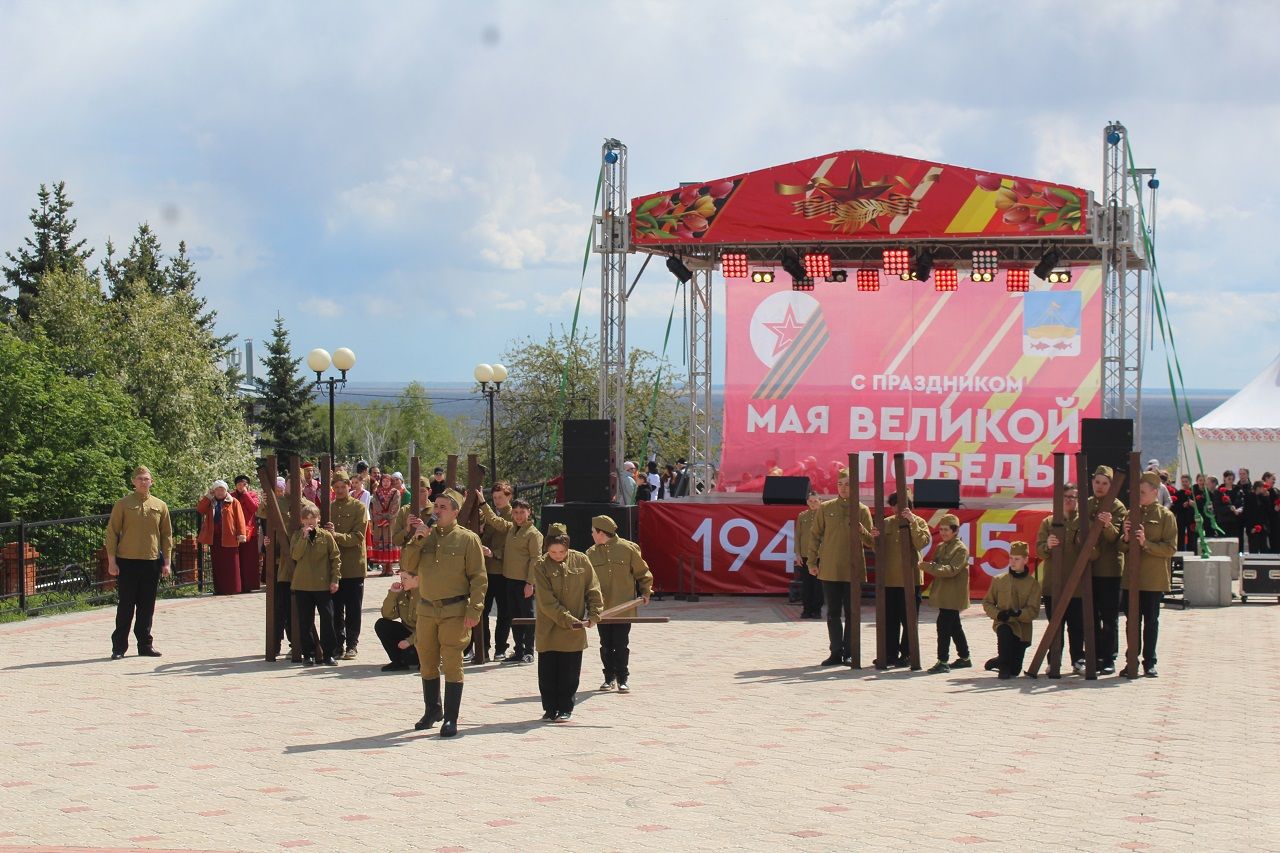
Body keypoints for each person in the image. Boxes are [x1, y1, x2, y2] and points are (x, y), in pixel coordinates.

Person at [405, 488, 486, 738]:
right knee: (427, 662)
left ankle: (451, 718)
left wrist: (475, 610)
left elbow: (479, 578)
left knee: (452, 662)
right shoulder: (424, 536)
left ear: (455, 512)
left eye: (442, 507)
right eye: (435, 506)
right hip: (427, 609)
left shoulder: (468, 539)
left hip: (455, 610)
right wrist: (417, 539)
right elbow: (407, 566)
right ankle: (433, 711)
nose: (436, 511)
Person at [533, 524, 603, 721]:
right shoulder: (540, 565)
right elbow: (546, 602)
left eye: (561, 552)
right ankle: (549, 708)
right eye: (553, 552)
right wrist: (568, 620)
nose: (557, 555)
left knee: (569, 672)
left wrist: (595, 612)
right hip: (550, 626)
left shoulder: (581, 560)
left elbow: (593, 588)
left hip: (574, 628)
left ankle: (565, 708)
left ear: (567, 547)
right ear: (547, 549)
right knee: (548, 671)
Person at [806, 470, 875, 666]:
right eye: (840, 484)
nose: (844, 488)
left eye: (847, 484)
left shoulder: (862, 510)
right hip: (830, 568)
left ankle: (850, 652)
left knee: (853, 613)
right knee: (833, 613)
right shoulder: (826, 508)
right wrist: (812, 562)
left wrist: (862, 530)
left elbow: (871, 542)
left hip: (853, 570)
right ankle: (836, 651)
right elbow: (815, 535)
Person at [104, 466, 173, 659]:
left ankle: (145, 645)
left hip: (151, 562)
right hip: (127, 561)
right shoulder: (123, 504)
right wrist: (112, 561)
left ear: (152, 481)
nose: (144, 482)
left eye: (147, 479)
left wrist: (166, 561)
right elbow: (112, 532)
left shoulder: (160, 505)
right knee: (126, 606)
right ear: (133, 482)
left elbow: (167, 535)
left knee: (147, 606)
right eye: (140, 479)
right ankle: (119, 648)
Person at [1120, 471, 1178, 678]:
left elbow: (1170, 548)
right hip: (1131, 579)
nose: (1138, 495)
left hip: (1153, 579)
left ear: (1155, 492)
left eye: (1143, 492)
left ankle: (1149, 662)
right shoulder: (1130, 513)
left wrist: (1146, 543)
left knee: (1151, 621)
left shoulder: (1165, 516)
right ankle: (1131, 661)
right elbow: (1120, 547)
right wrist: (1126, 538)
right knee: (1131, 622)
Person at [586, 514, 652, 692]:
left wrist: (646, 591)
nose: (591, 534)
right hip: (602, 610)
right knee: (605, 644)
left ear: (601, 533)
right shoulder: (591, 553)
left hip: (623, 608)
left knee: (621, 644)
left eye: (593, 531)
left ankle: (623, 677)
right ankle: (608, 678)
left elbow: (642, 572)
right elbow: (586, 581)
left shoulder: (628, 549)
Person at [1036, 484, 1096, 677]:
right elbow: (1039, 549)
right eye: (1067, 497)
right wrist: (1048, 545)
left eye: (1074, 497)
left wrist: (1085, 547)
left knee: (1077, 625)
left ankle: (1078, 660)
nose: (1071, 500)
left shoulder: (1085, 522)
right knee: (1055, 625)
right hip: (1054, 584)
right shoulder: (1049, 522)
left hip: (1077, 584)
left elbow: (1096, 552)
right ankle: (1053, 661)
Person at [479, 492, 544, 666]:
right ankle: (518, 651)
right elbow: (495, 521)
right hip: (509, 580)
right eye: (515, 513)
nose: (518, 516)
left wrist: (530, 583)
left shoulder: (533, 534)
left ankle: (529, 651)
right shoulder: (511, 529)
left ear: (529, 512)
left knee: (527, 617)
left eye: (522, 512)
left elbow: (535, 560)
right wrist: (493, 553)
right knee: (514, 617)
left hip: (524, 582)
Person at [877, 491, 931, 669]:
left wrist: (912, 522)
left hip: (911, 580)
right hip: (890, 580)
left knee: (909, 620)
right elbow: (874, 545)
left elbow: (922, 542)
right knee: (889, 620)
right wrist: (870, 535)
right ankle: (890, 654)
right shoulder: (886, 523)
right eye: (894, 505)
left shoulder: (919, 522)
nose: (897, 508)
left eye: (900, 504)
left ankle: (908, 653)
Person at [1087, 465, 1127, 675]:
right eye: (1097, 482)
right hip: (1089, 570)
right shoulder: (1086, 505)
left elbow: (1115, 539)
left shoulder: (1118, 507)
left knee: (1109, 617)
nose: (1100, 487)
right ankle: (1094, 654)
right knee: (1090, 615)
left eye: (1105, 483)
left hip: (1110, 571)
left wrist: (1107, 525)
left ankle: (1109, 657)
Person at [290, 504, 341, 666]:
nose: (310, 521)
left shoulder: (326, 536)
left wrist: (335, 579)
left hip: (322, 584)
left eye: (313, 518)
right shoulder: (297, 536)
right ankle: (308, 654)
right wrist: (304, 538)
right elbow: (295, 555)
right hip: (303, 584)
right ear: (302, 520)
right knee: (305, 621)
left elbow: (336, 558)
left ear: (318, 519)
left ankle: (329, 654)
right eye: (306, 518)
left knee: (328, 618)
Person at [326, 471, 370, 659]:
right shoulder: (329, 508)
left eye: (343, 487)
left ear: (349, 487)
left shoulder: (359, 508)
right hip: (335, 567)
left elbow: (358, 537)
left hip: (353, 565)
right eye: (336, 487)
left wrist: (336, 536)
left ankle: (352, 644)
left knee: (353, 609)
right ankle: (338, 644)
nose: (340, 490)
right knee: (336, 609)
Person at [982, 541, 1041, 679]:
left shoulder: (1033, 584)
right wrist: (998, 614)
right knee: (1004, 631)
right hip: (1004, 623)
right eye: (1011, 558)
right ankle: (1003, 666)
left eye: (1017, 559)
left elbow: (1033, 611)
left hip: (1022, 630)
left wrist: (1019, 613)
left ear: (1025, 560)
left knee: (1015, 670)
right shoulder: (999, 580)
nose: (1013, 562)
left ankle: (999, 661)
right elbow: (987, 602)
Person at [920, 513, 970, 674]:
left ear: (955, 531)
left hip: (953, 595)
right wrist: (930, 566)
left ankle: (943, 661)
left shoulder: (960, 549)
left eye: (946, 530)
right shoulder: (941, 546)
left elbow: (951, 570)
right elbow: (937, 565)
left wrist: (927, 566)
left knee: (943, 626)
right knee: (955, 626)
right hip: (944, 593)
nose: (943, 532)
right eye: (941, 529)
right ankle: (964, 657)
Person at [476, 481, 514, 662]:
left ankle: (501, 648)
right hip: (487, 570)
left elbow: (501, 525)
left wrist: (483, 505)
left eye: (501, 497)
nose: (497, 500)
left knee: (504, 613)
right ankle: (483, 647)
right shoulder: (491, 515)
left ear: (509, 497)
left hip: (503, 570)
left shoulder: (514, 515)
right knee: (482, 610)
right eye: (495, 497)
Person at [197, 480, 248, 596]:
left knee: (231, 565)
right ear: (213, 491)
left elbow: (240, 518)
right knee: (217, 564)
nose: (220, 492)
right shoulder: (210, 502)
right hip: (214, 538)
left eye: (222, 489)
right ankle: (219, 589)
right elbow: (200, 509)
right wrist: (208, 496)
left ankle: (232, 588)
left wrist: (241, 534)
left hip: (230, 537)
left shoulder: (233, 502)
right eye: (217, 490)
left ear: (226, 490)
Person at [375, 570, 420, 672]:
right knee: (381, 624)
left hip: (425, 637)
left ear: (416, 579)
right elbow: (387, 615)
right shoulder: (402, 593)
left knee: (411, 657)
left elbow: (428, 627)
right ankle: (397, 662)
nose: (402, 581)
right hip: (409, 633)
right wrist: (392, 594)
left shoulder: (426, 595)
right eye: (401, 578)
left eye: (405, 578)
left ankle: (424, 661)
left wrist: (409, 641)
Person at [794, 491, 824, 619]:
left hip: (820, 556)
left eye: (815, 501)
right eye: (810, 501)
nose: (813, 504)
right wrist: (798, 554)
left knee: (819, 586)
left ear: (820, 501)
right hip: (805, 555)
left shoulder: (824, 516)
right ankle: (806, 610)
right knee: (806, 585)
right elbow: (798, 536)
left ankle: (817, 610)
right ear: (807, 502)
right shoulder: (802, 516)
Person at [230, 475, 262, 592]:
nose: (241, 486)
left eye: (244, 484)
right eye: (239, 484)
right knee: (237, 559)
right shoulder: (231, 496)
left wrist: (245, 494)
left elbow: (254, 508)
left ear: (247, 485)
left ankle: (250, 585)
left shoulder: (252, 495)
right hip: (235, 531)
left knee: (249, 559)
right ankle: (237, 585)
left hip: (249, 532)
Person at [369, 473, 402, 573]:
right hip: (379, 523)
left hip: (391, 522)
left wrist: (388, 518)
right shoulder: (376, 493)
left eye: (388, 481)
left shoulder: (396, 492)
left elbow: (396, 506)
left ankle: (390, 568)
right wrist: (380, 518)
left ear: (391, 482)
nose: (385, 483)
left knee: (390, 542)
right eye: (383, 481)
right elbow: (374, 507)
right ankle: (383, 568)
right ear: (381, 482)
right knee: (381, 544)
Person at [1173, 475, 1196, 553]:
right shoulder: (1178, 493)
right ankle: (1180, 552)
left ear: (1189, 482)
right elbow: (1174, 508)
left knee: (1191, 536)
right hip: (1181, 518)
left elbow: (1198, 506)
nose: (1184, 483)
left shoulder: (1193, 493)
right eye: (1183, 482)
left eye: (1186, 481)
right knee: (1180, 536)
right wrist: (1182, 505)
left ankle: (1191, 552)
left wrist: (1193, 505)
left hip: (1191, 518)